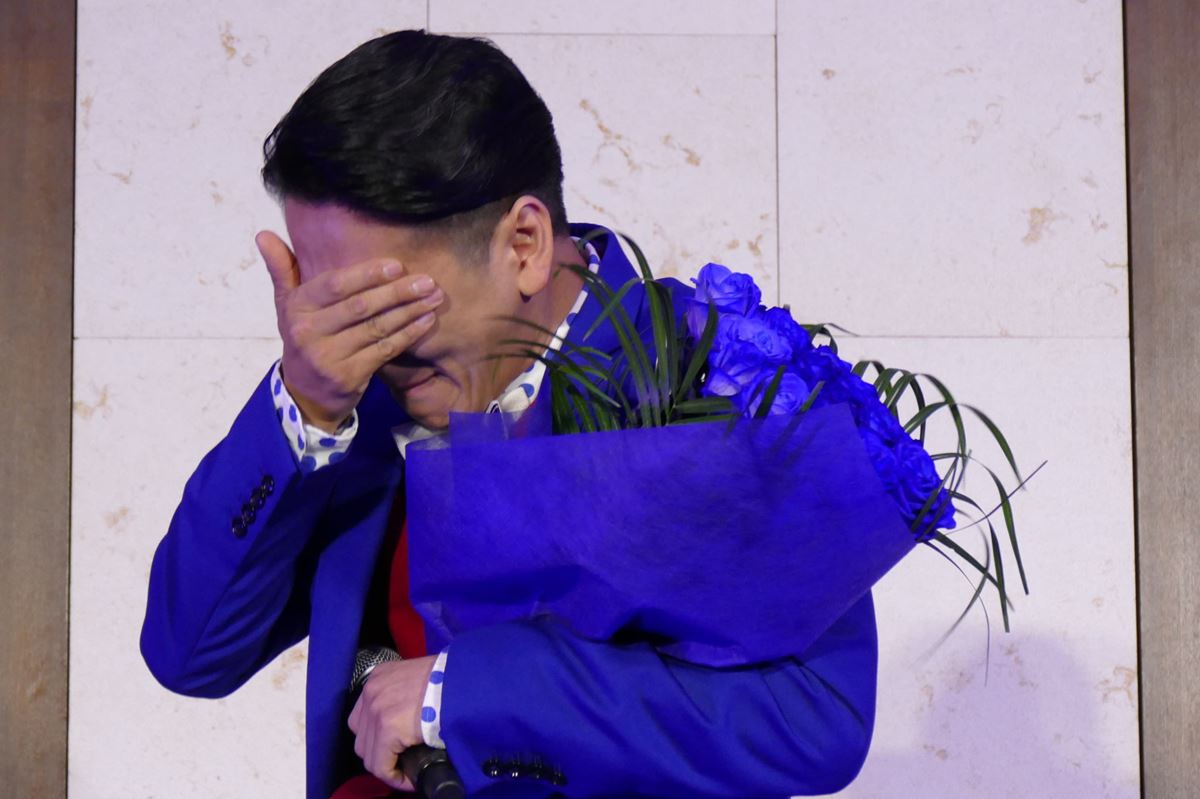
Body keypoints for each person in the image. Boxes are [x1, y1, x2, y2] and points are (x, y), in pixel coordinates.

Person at [139, 29, 878, 799]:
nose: (352, 340)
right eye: (328, 302)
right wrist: (304, 402)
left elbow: (816, 717)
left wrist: (467, 694)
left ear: (524, 243)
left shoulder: (719, 376)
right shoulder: (352, 392)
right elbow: (191, 653)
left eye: (380, 303)